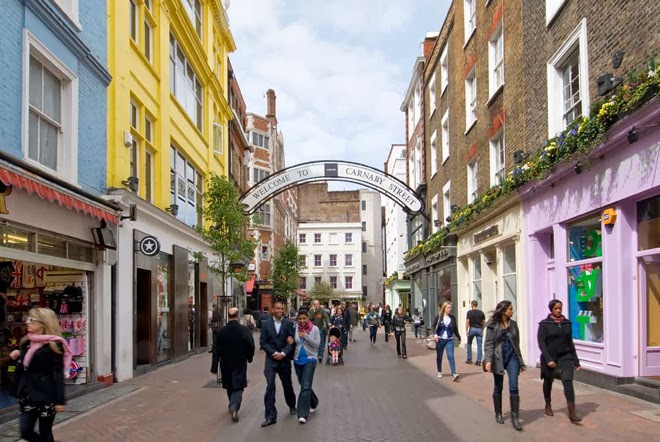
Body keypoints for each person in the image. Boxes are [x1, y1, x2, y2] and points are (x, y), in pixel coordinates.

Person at [9, 307, 71, 442]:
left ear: (43, 323)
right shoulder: (26, 342)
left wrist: (60, 400)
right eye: (27, 319)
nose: (27, 322)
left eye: (31, 320)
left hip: (46, 396)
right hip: (27, 395)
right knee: (25, 431)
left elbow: (57, 374)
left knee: (45, 432)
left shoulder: (54, 345)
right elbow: (25, 366)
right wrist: (18, 355)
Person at [537, 299, 582, 423]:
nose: (558, 310)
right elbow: (541, 343)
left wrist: (576, 360)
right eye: (556, 308)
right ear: (551, 309)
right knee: (548, 381)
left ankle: (572, 412)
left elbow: (570, 342)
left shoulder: (567, 323)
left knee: (568, 381)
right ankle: (548, 404)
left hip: (565, 357)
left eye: (560, 308)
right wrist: (548, 359)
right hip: (550, 357)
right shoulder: (545, 324)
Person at [484, 300, 525, 431]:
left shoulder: (513, 324)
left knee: (514, 386)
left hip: (512, 357)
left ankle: (515, 417)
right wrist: (488, 360)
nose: (512, 311)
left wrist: (521, 361)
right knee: (498, 386)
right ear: (503, 311)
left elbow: (517, 344)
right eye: (510, 309)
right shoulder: (492, 325)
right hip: (498, 357)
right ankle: (498, 413)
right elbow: (489, 343)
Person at [210, 307, 255, 423]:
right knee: (238, 386)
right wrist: (249, 357)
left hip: (225, 362)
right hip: (240, 361)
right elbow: (250, 345)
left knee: (229, 385)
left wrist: (214, 366)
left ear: (229, 316)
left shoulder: (221, 332)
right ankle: (234, 406)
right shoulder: (244, 330)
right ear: (237, 316)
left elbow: (216, 350)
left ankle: (232, 403)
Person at [259, 301, 297, 427]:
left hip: (284, 359)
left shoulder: (288, 324)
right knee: (270, 386)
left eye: (282, 308)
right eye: (278, 308)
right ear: (273, 310)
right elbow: (263, 342)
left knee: (287, 384)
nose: (280, 310)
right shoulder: (266, 324)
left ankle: (292, 405)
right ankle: (270, 416)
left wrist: (284, 353)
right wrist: (274, 353)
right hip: (271, 359)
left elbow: (291, 341)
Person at [292, 309, 320, 424]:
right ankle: (313, 401)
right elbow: (294, 343)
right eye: (300, 319)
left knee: (306, 385)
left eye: (304, 318)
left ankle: (303, 413)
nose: (302, 321)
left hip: (310, 359)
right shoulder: (295, 329)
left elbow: (316, 345)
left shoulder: (314, 329)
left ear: (308, 318)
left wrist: (306, 336)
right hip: (298, 359)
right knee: (304, 384)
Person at [432, 301, 461, 381]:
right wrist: (435, 334)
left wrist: (458, 337)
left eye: (450, 308)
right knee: (439, 356)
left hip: (449, 339)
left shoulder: (452, 318)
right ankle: (439, 371)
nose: (449, 309)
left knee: (451, 356)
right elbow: (433, 326)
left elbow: (455, 328)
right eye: (448, 308)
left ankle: (454, 373)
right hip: (440, 339)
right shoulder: (439, 317)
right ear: (444, 308)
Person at [465, 300, 486, 366]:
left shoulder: (469, 312)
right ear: (477, 305)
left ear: (472, 305)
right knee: (479, 345)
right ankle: (478, 361)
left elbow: (467, 322)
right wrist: (482, 329)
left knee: (469, 343)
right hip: (479, 329)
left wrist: (467, 331)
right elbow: (484, 322)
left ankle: (469, 359)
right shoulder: (481, 313)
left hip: (472, 329)